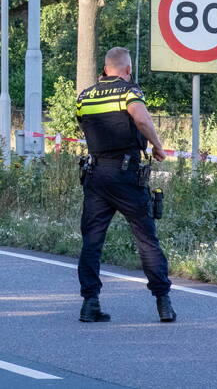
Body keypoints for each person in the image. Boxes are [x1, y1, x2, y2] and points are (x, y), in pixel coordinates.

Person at [75, 47, 174, 323]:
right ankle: (163, 302)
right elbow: (140, 118)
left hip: (96, 175)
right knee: (146, 238)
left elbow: (84, 124)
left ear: (105, 69)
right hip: (126, 174)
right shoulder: (129, 91)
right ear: (127, 70)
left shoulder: (85, 96)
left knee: (92, 241)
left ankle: (89, 304)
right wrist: (157, 146)